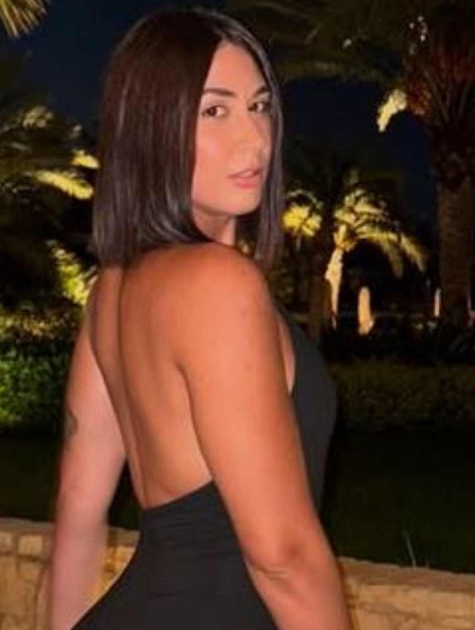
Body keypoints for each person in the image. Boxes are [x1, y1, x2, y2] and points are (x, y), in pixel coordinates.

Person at [45, 8, 351, 630]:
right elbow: (284, 559)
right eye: (215, 111)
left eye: (260, 106)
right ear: (151, 128)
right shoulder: (218, 284)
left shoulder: (112, 289)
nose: (254, 138)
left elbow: (78, 512)